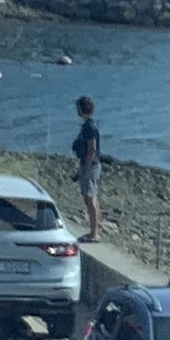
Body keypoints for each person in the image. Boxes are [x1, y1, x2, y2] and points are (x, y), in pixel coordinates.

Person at [70, 93, 105, 240]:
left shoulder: (89, 127)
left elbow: (92, 149)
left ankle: (94, 233)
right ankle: (94, 231)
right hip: (91, 165)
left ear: (81, 109)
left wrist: (86, 166)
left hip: (90, 166)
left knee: (90, 199)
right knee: (91, 197)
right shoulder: (88, 125)